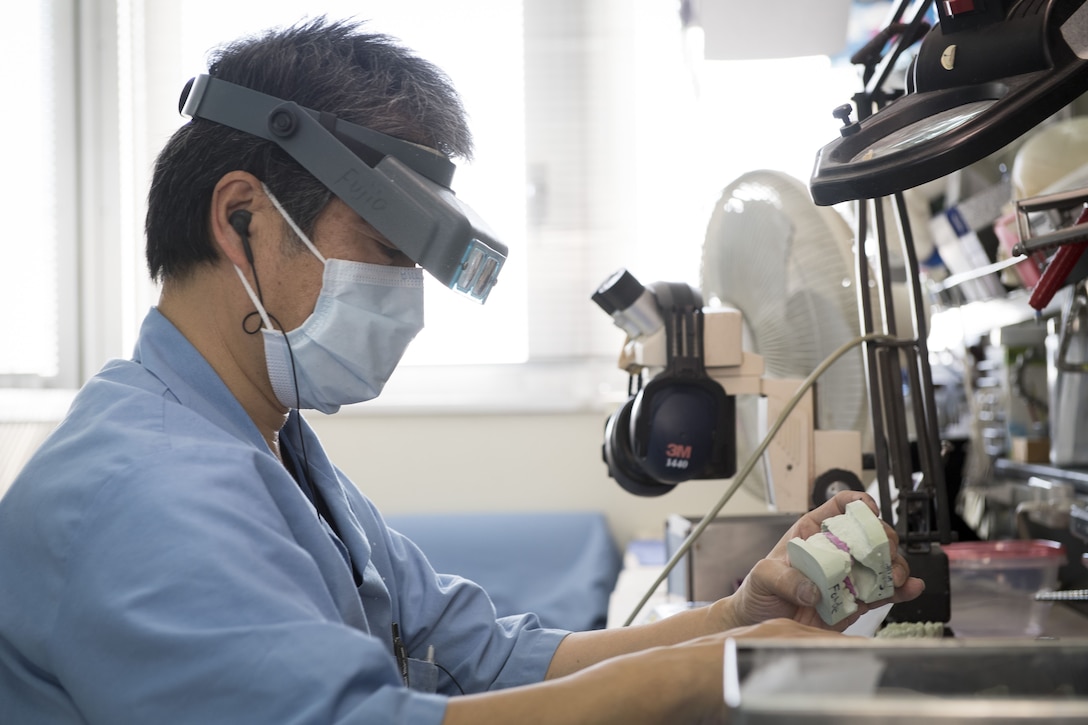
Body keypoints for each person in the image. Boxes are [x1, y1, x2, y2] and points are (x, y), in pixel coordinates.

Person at [0, 17, 923, 724]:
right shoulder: (144, 491)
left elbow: (481, 655)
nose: (405, 297)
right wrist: (727, 669)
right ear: (242, 218)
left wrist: (732, 616)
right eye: (383, 248)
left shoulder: (269, 447)